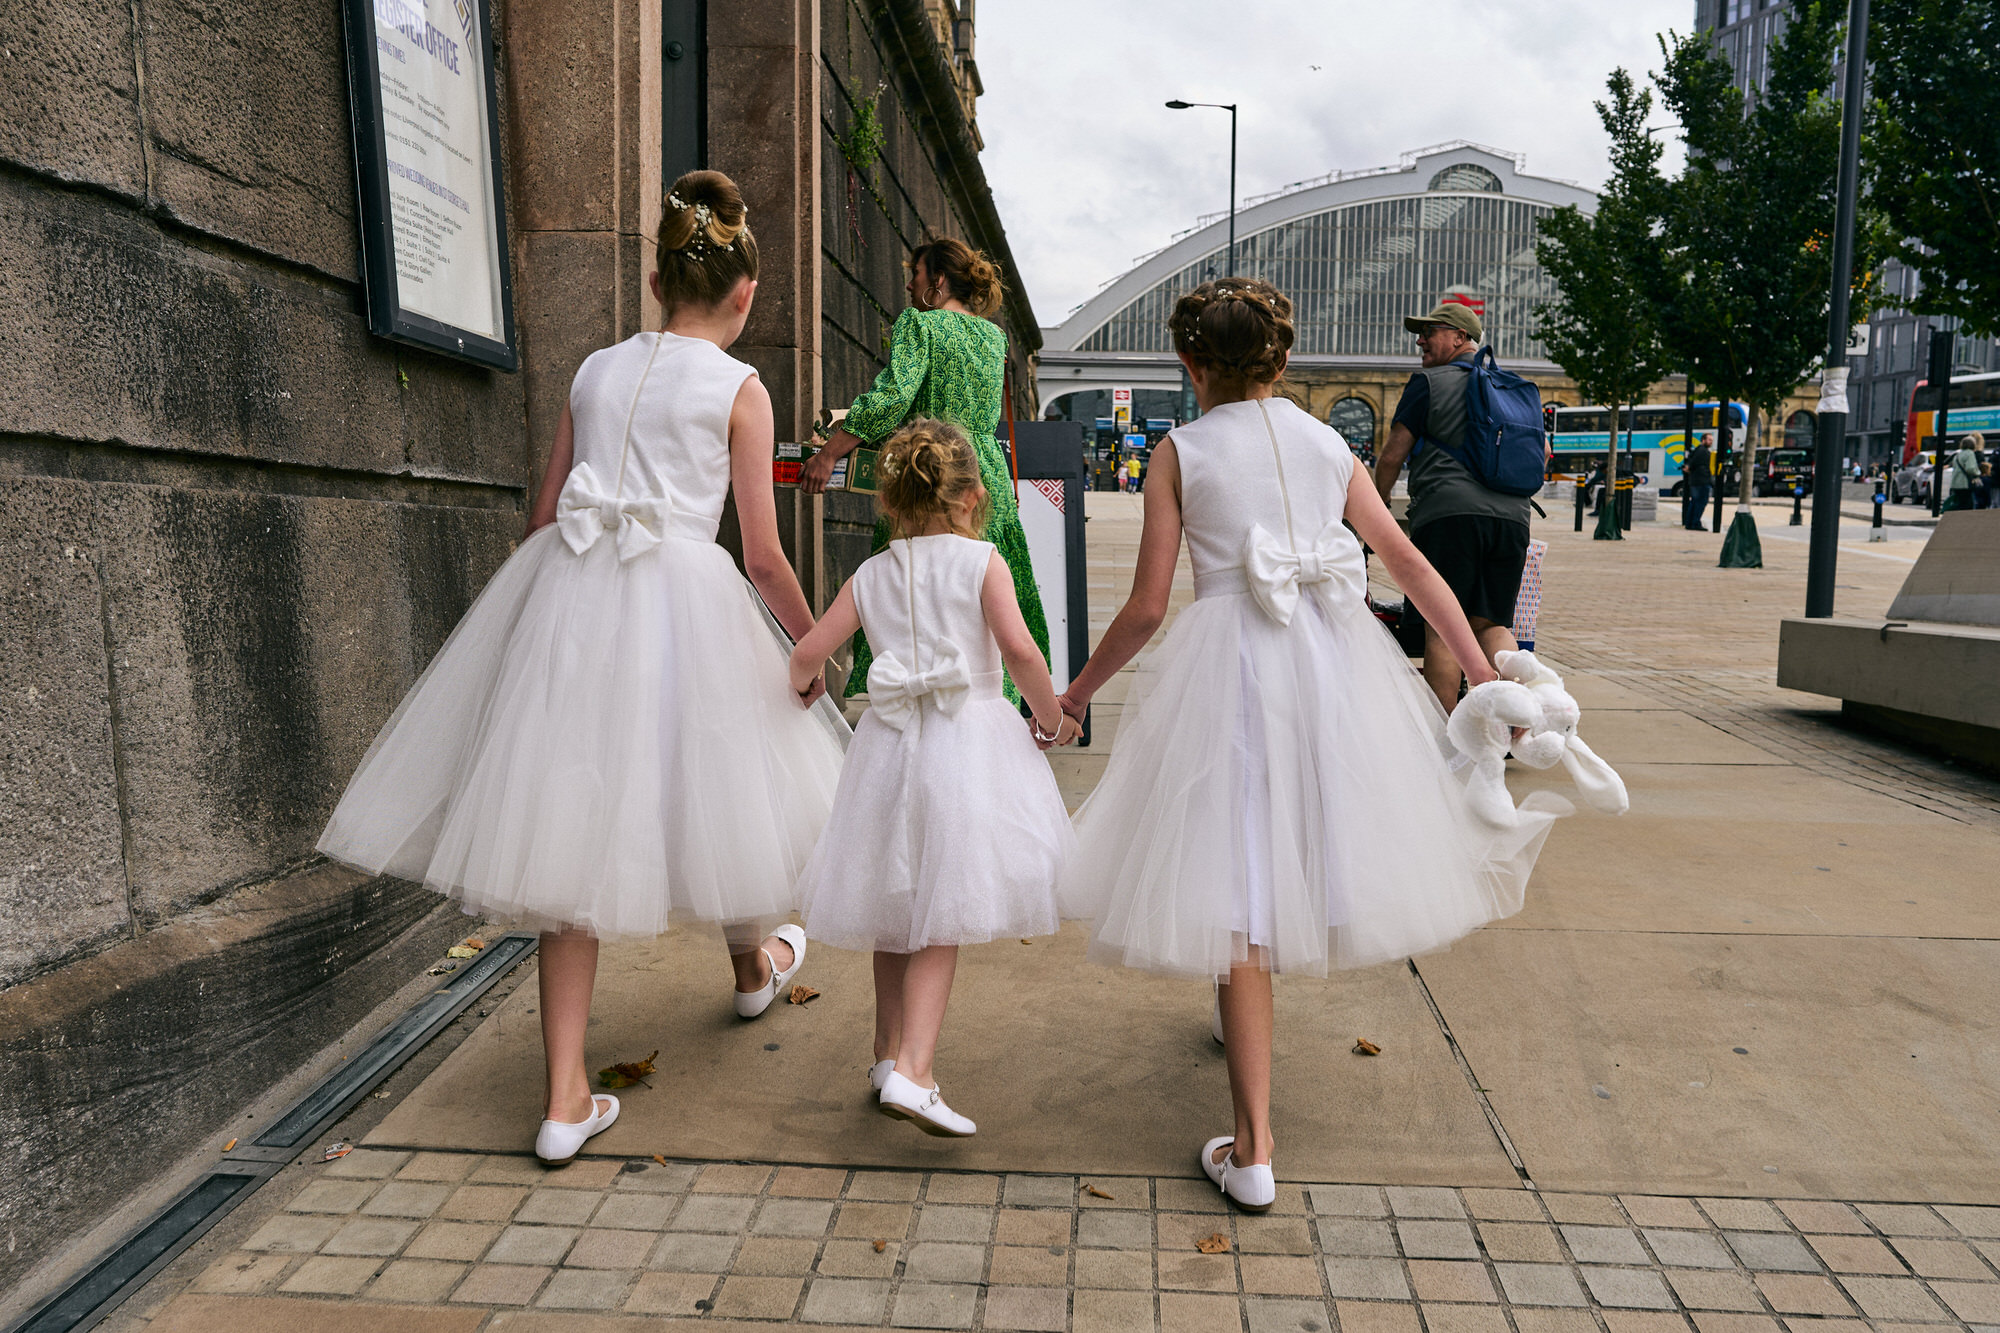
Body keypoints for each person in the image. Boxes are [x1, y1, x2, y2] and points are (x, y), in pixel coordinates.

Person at [316, 171, 848, 1165]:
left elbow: (544, 511)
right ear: (746, 294)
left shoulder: (593, 370)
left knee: (574, 822)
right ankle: (751, 961)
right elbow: (766, 556)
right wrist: (812, 644)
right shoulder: (739, 387)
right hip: (687, 600)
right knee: (718, 775)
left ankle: (568, 1095)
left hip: (578, 597)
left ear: (652, 277)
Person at [1055, 279, 1561, 1210]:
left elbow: (1148, 607)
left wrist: (1075, 693)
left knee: (1238, 871)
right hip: (1334, 666)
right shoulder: (1329, 442)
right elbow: (1410, 564)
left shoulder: (1179, 450)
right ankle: (1241, 1067)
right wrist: (1479, 669)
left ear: (1189, 364)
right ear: (1283, 362)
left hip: (1230, 672)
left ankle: (1254, 1148)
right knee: (1297, 842)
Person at [790, 419, 1079, 1138]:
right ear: (973, 494)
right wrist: (1050, 719)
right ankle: (917, 1070)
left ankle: (886, 1055)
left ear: (889, 498)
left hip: (887, 748)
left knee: (897, 904)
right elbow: (1019, 650)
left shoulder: (872, 572)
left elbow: (810, 652)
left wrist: (805, 688)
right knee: (945, 908)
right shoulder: (983, 562)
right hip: (967, 743)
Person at [799, 238, 1051, 703]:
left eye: (914, 275)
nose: (909, 286)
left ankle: (920, 702)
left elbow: (896, 399)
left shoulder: (921, 325)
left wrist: (831, 452)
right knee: (986, 600)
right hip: (981, 480)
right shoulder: (993, 337)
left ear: (936, 281)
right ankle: (1000, 708)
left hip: (927, 477)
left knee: (917, 596)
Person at [1372, 302, 1535, 713]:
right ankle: (1511, 725)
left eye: (1432, 332)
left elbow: (1392, 455)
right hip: (1512, 522)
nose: (1420, 339)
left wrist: (1377, 505)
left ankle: (1446, 741)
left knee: (1442, 628)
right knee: (1493, 625)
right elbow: (1542, 451)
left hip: (1449, 520)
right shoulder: (1514, 387)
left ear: (1460, 338)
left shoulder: (1428, 383)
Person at [1683, 434, 1714, 530]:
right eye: (1709, 440)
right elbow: (1693, 463)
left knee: (1694, 502)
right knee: (1700, 502)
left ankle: (1690, 523)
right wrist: (1689, 467)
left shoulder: (1698, 450)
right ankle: (1695, 523)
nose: (1711, 442)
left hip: (1695, 480)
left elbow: (1690, 462)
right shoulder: (1702, 451)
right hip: (1701, 481)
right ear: (1703, 440)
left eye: (1711, 440)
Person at [1945, 433, 1981, 512]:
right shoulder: (1970, 453)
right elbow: (1970, 468)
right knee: (1967, 505)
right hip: (1965, 483)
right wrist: (1978, 472)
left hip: (1955, 483)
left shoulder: (1958, 454)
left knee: (1959, 505)